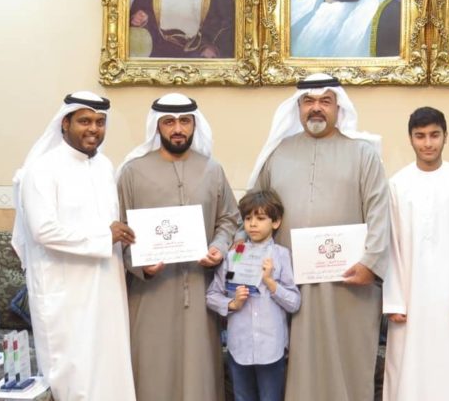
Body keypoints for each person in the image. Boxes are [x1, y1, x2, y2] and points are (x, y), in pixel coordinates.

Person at [248, 73, 390, 401]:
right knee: (294, 366)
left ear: (339, 108)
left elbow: (379, 213)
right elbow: (255, 210)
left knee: (346, 362)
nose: (316, 108)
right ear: (297, 108)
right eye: (308, 101)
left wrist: (371, 263)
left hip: (349, 284)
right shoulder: (278, 154)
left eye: (325, 101)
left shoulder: (363, 154)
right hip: (287, 284)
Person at [12, 91, 136, 401]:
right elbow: (43, 231)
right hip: (65, 292)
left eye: (100, 122)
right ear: (64, 123)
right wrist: (105, 235)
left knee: (110, 370)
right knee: (75, 377)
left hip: (106, 288)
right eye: (84, 121)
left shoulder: (105, 166)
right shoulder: (42, 169)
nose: (93, 129)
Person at [117, 93, 240, 401]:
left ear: (194, 125)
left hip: (200, 291)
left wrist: (219, 247)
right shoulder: (132, 172)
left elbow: (229, 219)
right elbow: (121, 231)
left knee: (199, 372)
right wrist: (140, 264)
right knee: (151, 369)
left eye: (185, 121)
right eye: (169, 122)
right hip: (150, 293)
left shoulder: (212, 170)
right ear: (157, 126)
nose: (177, 129)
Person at [382, 107, 449, 401]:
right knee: (408, 372)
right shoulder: (397, 185)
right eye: (420, 136)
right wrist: (394, 300)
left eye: (434, 135)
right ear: (410, 139)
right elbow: (391, 246)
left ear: (445, 136)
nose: (428, 143)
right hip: (409, 299)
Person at [207, 190, 301, 401]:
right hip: (239, 346)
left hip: (271, 348)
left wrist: (270, 282)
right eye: (248, 218)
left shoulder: (281, 256)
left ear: (275, 222)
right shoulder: (234, 255)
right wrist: (232, 303)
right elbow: (213, 294)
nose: (253, 224)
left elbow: (294, 302)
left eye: (260, 218)